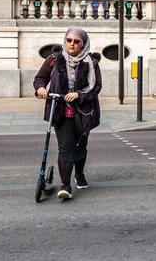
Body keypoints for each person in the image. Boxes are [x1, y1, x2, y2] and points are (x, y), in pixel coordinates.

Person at [34, 28, 102, 200]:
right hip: (60, 109)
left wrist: (80, 94)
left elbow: (96, 87)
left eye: (77, 41)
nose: (72, 44)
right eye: (69, 40)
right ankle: (65, 185)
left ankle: (79, 174)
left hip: (83, 111)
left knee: (80, 146)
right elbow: (40, 78)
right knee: (65, 147)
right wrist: (40, 88)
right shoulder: (55, 59)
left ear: (83, 43)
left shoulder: (91, 62)